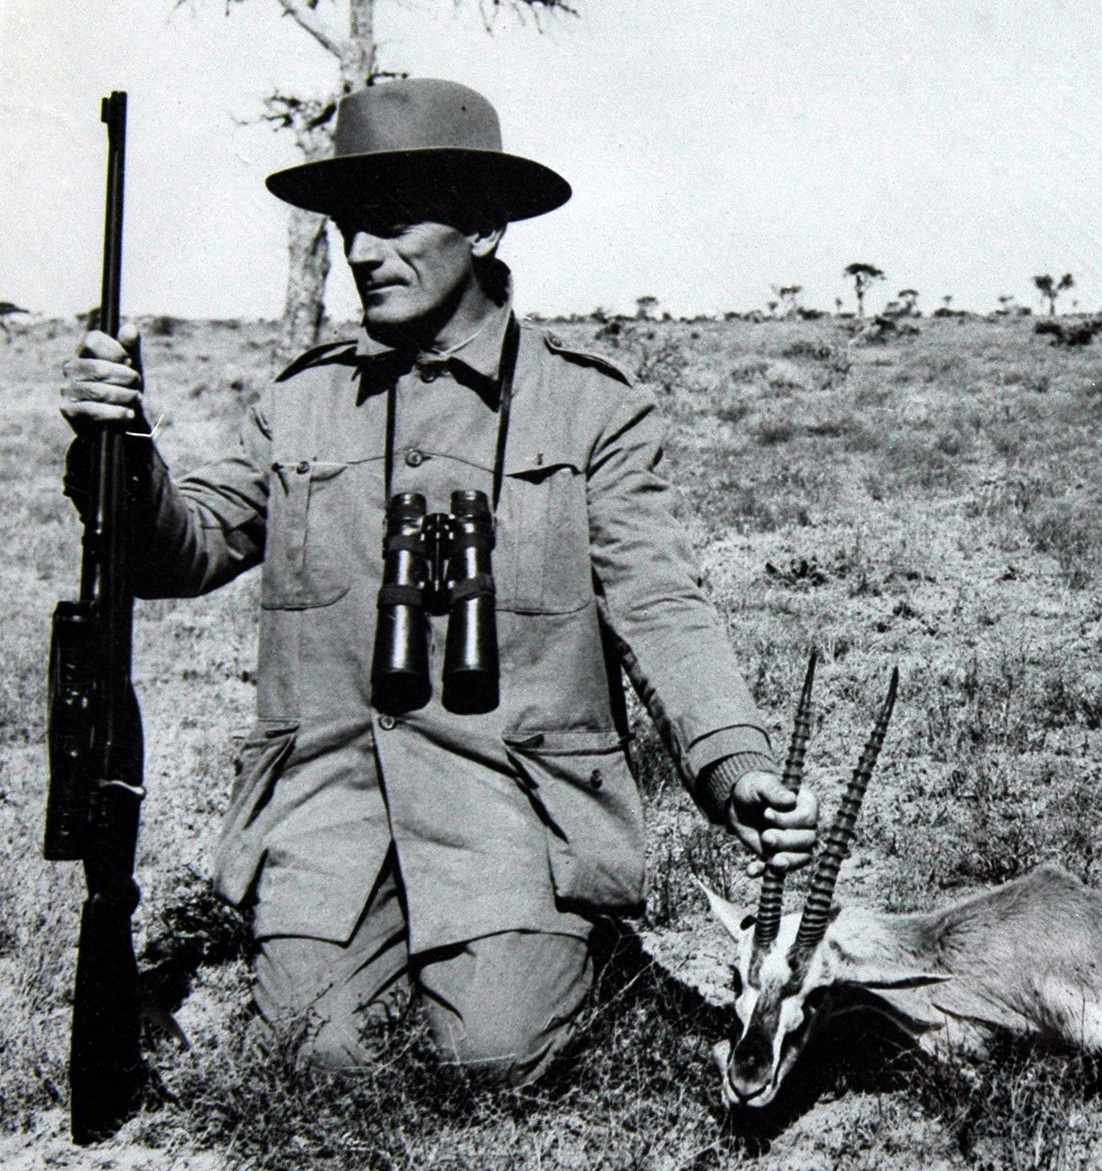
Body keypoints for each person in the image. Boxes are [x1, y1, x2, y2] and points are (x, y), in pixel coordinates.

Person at [58, 78, 817, 1085]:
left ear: (486, 226)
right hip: (331, 809)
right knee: (319, 1060)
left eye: (394, 224)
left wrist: (733, 762)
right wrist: (123, 449)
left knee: (495, 1054)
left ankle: (570, 946)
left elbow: (659, 600)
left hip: (515, 807)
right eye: (347, 232)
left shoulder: (590, 406)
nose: (364, 255)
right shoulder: (301, 401)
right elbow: (184, 550)